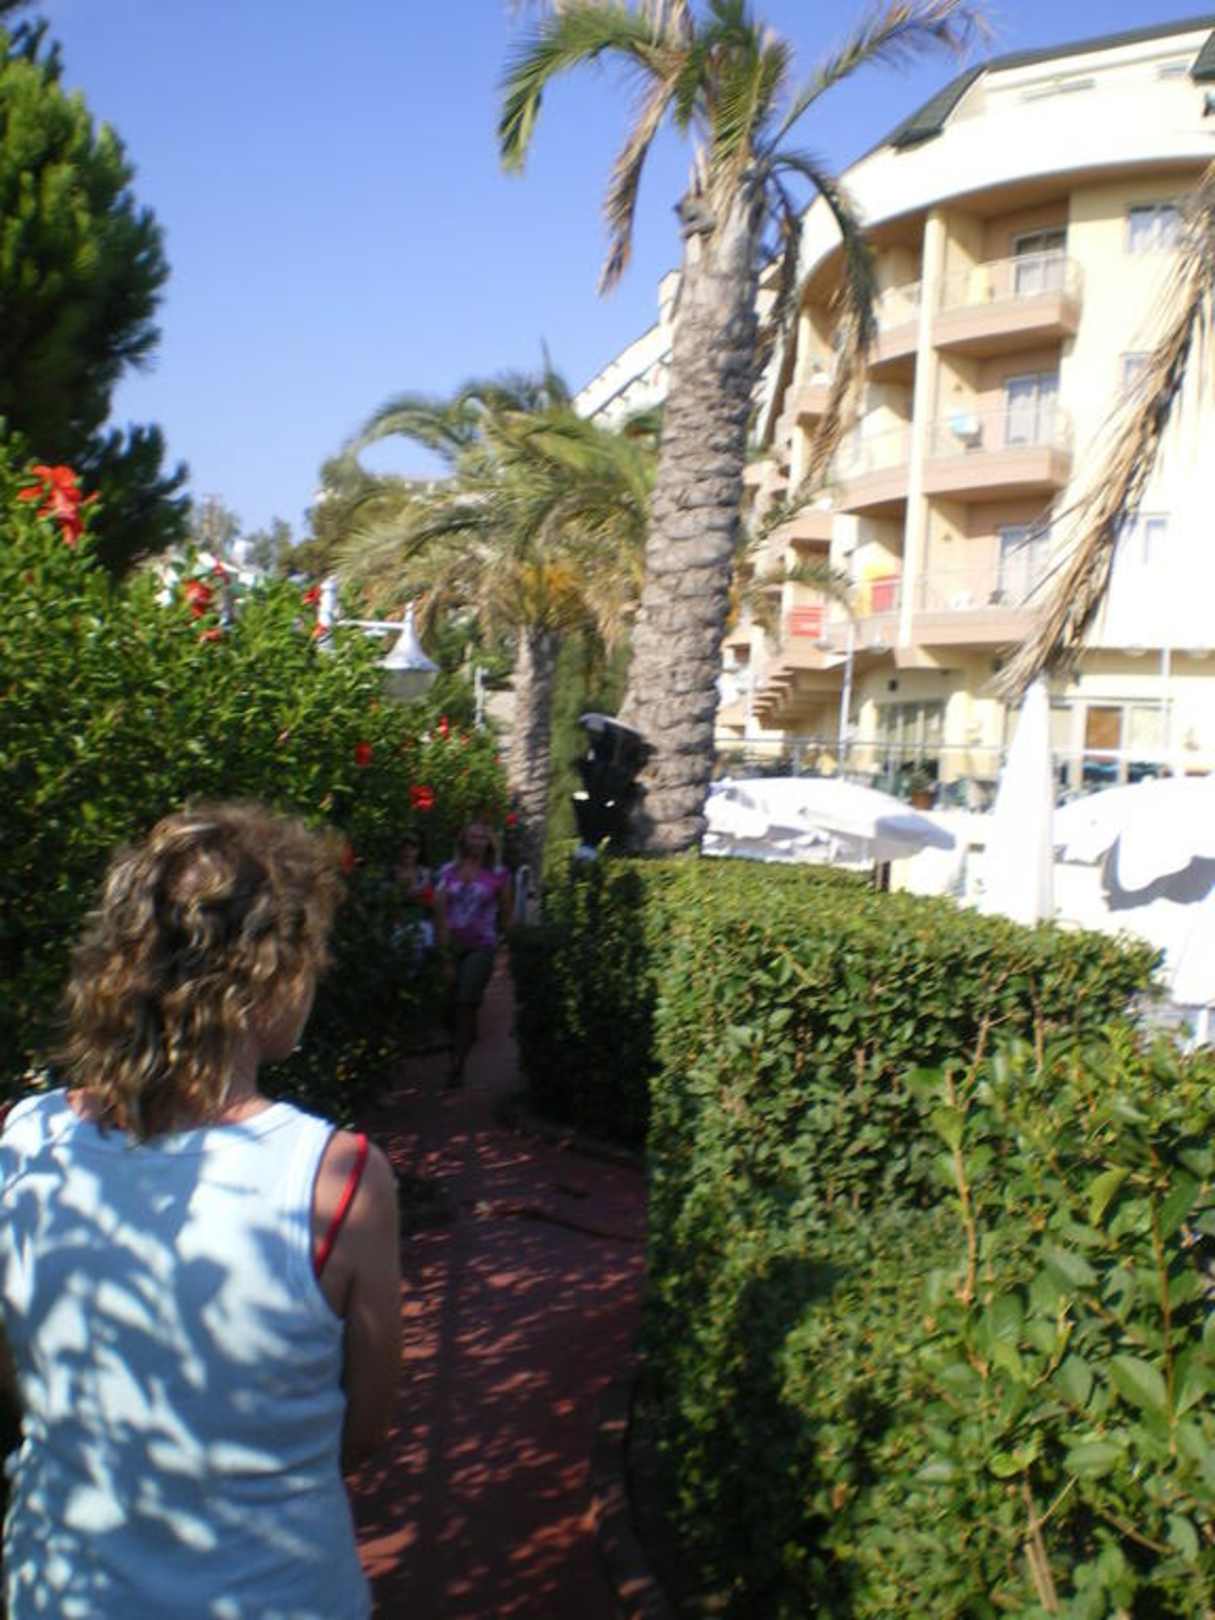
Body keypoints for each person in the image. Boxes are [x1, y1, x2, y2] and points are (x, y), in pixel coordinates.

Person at [0, 803, 401, 1619]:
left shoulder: (22, 1143)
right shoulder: (337, 1180)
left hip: (59, 1589)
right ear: (268, 975)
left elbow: (19, 1376)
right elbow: (362, 1430)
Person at [433, 819, 512, 1089]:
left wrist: (507, 948)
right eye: (472, 836)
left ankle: (457, 1066)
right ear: (463, 841)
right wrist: (444, 956)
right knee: (448, 1005)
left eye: (482, 837)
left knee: (466, 1002)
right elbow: (440, 914)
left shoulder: (499, 874)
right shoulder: (447, 871)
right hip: (452, 944)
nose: (477, 842)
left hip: (482, 945)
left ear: (489, 843)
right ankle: (461, 1041)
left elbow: (506, 914)